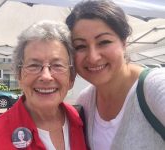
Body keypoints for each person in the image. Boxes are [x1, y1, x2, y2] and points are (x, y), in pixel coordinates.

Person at [66, 0, 165, 150]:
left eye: (104, 42)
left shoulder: (156, 87)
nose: (93, 57)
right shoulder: (85, 101)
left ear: (124, 43)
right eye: (80, 46)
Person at [0, 20, 87, 150]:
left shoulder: (82, 122)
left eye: (57, 65)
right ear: (19, 75)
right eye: (34, 65)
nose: (46, 76)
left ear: (71, 78)